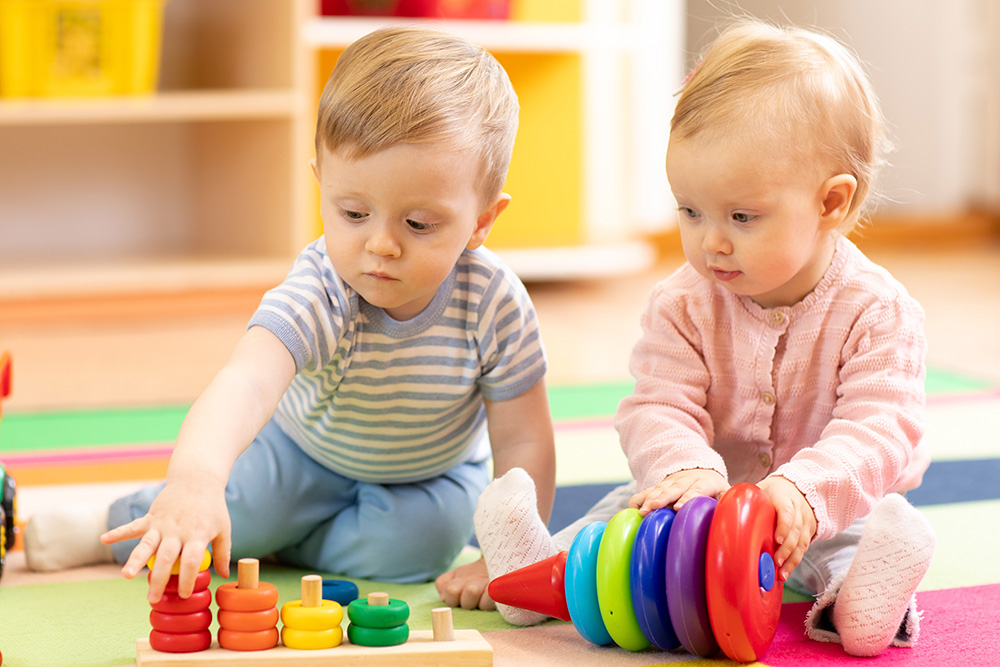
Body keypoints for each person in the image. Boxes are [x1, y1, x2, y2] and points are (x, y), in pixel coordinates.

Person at [23, 26, 556, 609]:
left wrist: (509, 557)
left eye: (419, 224)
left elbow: (524, 436)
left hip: (431, 475)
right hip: (303, 453)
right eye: (353, 212)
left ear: (482, 220)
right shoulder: (322, 287)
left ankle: (285, 541)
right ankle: (112, 519)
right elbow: (246, 383)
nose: (381, 245)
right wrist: (195, 482)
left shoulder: (495, 301)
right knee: (230, 514)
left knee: (418, 554)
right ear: (322, 185)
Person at [472, 19, 935, 658]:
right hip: (698, 506)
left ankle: (865, 603)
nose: (709, 240)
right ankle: (536, 571)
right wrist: (683, 468)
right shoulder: (683, 301)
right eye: (689, 210)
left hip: (829, 510)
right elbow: (657, 405)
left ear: (830, 204)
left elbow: (881, 428)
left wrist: (803, 492)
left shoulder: (879, 311)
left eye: (741, 217)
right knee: (617, 534)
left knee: (857, 547)